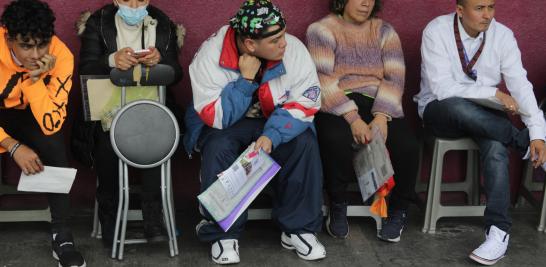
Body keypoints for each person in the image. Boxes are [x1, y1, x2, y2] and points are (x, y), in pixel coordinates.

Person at [184, 0, 326, 264]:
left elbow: (306, 103)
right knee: (219, 146)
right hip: (224, 123)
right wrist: (245, 81)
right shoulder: (210, 55)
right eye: (275, 40)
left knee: (303, 142)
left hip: (276, 120)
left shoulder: (293, 49)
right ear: (250, 43)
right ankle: (223, 232)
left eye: (283, 34)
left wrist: (272, 135)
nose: (285, 43)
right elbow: (216, 116)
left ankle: (299, 229)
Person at [414, 0, 546, 265]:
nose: (487, 15)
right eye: (479, 8)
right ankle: (520, 144)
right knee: (459, 108)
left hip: (487, 114)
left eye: (491, 7)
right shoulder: (436, 31)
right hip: (441, 110)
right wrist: (492, 93)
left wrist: (538, 134)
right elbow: (443, 88)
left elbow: (520, 83)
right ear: (460, 10)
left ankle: (498, 232)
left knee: (496, 148)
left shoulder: (502, 35)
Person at [306, 0, 419, 243]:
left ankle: (398, 210)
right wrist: (353, 119)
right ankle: (337, 203)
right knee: (335, 138)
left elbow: (395, 77)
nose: (366, 2)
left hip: (380, 101)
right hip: (338, 101)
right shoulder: (321, 30)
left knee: (408, 146)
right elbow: (323, 81)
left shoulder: (385, 31)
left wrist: (381, 115)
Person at [77, 0, 184, 246]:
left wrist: (161, 61)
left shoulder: (162, 22)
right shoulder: (99, 21)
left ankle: (153, 216)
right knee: (107, 145)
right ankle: (110, 218)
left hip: (151, 109)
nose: (135, 5)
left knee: (155, 139)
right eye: (128, 0)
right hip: (107, 113)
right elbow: (86, 67)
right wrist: (112, 61)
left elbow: (176, 73)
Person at [0, 0, 85, 266]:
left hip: (33, 112)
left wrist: (35, 81)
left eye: (42, 44)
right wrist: (12, 146)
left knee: (53, 145)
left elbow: (51, 123)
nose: (36, 54)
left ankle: (63, 234)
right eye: (26, 45)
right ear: (9, 38)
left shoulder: (62, 56)